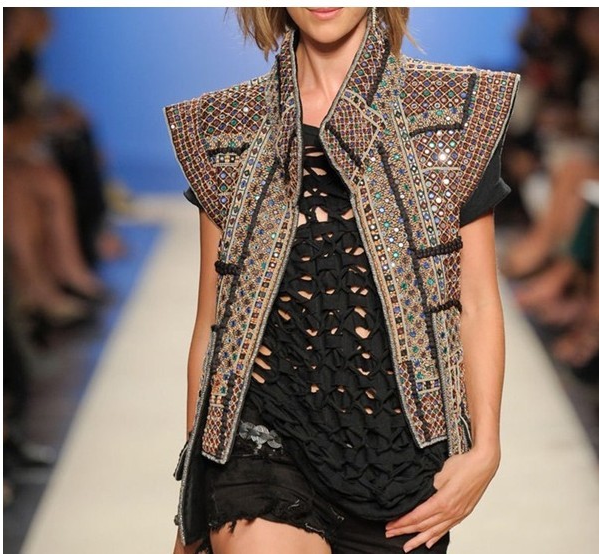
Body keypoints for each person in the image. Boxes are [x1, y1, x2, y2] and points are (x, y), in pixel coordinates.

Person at [165, 8, 520, 554]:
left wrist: (485, 449)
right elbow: (216, 320)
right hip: (262, 433)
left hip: (402, 451)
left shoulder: (456, 112)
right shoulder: (224, 127)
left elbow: (474, 301)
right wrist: (197, 495)